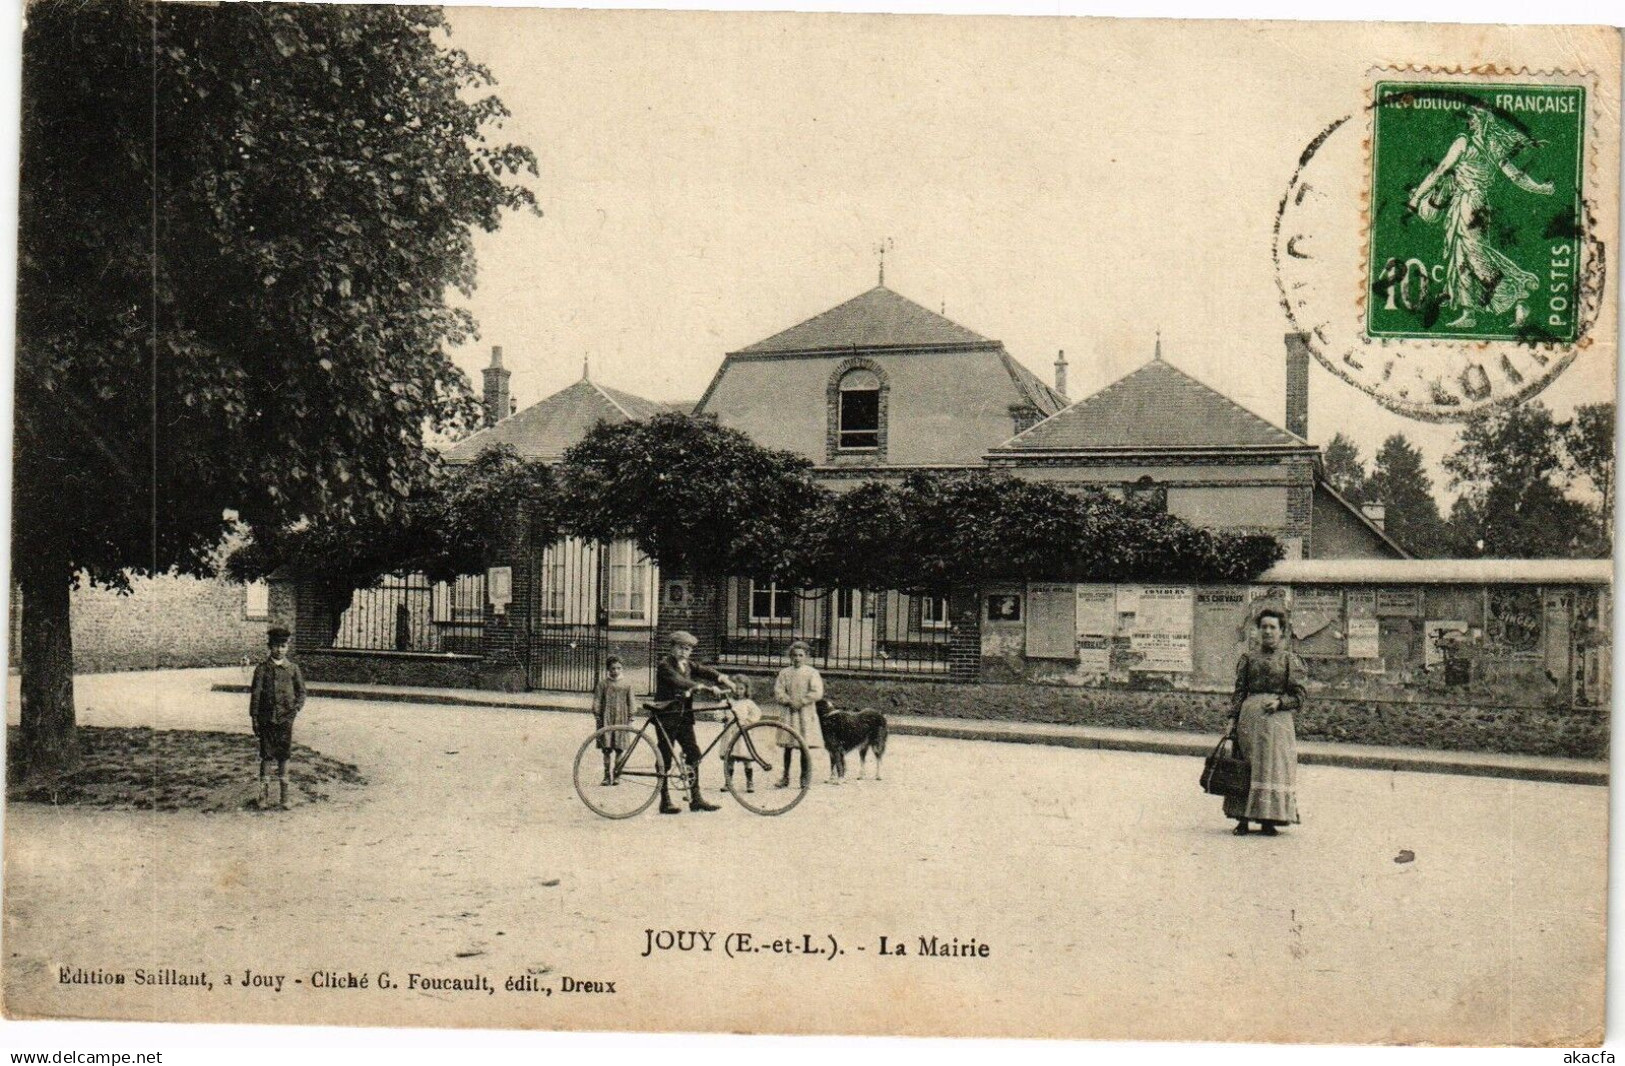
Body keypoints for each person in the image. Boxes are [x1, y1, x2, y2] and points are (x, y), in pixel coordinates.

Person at [1408, 105, 1553, 330]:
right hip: (1478, 205)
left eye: (1474, 117)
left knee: (1474, 256)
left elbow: (1439, 171)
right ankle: (1469, 313)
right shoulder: (1494, 145)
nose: (1470, 121)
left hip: (1467, 203)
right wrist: (1540, 188)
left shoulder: (1463, 143)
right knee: (1463, 255)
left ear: (1482, 120)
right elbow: (1516, 176)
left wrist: (1417, 197)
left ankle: (1517, 296)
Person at [1225, 609, 1305, 836]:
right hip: (1249, 721)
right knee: (1246, 766)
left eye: (1273, 627)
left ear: (1282, 632)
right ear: (1258, 631)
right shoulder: (1248, 659)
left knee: (1272, 769)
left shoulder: (1289, 660)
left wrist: (1280, 702)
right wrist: (1232, 719)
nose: (1268, 631)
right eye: (1264, 627)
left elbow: (1299, 695)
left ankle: (1268, 819)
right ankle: (1242, 819)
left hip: (1277, 724)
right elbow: (1239, 692)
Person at [651, 631, 723, 815]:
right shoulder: (665, 665)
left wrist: (722, 678)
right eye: (680, 648)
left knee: (694, 753)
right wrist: (698, 686)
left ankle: (696, 798)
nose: (684, 652)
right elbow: (678, 681)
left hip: (684, 717)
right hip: (667, 716)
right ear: (672, 648)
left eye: (688, 649)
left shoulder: (688, 665)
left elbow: (703, 670)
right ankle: (664, 800)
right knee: (665, 757)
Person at [249, 625, 305, 811]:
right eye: (275, 646)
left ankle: (284, 797)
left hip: (285, 720)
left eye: (283, 646)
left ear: (287, 647)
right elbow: (255, 695)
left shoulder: (293, 669)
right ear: (269, 647)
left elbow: (301, 692)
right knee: (266, 756)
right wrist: (255, 718)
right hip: (267, 720)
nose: (279, 650)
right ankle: (263, 796)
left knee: (284, 756)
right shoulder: (262, 669)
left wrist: (295, 709)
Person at [772, 640, 825, 789]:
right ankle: (785, 776)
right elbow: (778, 691)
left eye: (801, 655)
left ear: (806, 656)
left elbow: (817, 692)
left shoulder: (812, 673)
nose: (797, 658)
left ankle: (804, 777)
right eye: (794, 655)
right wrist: (788, 701)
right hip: (790, 712)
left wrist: (801, 701)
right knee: (788, 746)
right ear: (790, 656)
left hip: (805, 713)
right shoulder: (785, 673)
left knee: (803, 745)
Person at [591, 656, 636, 786]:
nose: (615, 671)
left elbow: (631, 700)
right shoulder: (603, 684)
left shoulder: (627, 684)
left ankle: (617, 775)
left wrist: (631, 715)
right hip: (606, 719)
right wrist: (597, 712)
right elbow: (597, 699)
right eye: (612, 668)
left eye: (618, 668)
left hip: (621, 719)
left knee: (620, 748)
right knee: (606, 749)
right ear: (608, 669)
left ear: (622, 668)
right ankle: (606, 776)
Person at [718, 675, 765, 794]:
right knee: (730, 758)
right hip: (730, 731)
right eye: (736, 688)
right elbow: (719, 711)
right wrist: (722, 718)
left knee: (746, 758)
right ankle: (728, 781)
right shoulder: (728, 701)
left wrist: (748, 722)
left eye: (741, 689)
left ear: (746, 690)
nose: (738, 691)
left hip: (743, 732)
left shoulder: (748, 703)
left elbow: (757, 713)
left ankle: (749, 782)